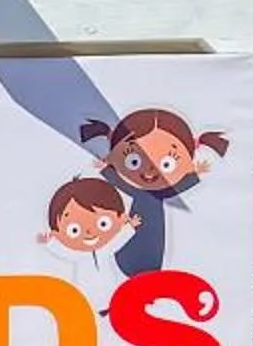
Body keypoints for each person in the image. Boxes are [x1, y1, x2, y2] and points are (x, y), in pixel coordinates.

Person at [78, 109, 231, 276]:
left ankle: (149, 272)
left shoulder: (159, 193)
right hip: (132, 235)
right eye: (134, 161)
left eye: (166, 164)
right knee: (131, 246)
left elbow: (175, 188)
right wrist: (106, 170)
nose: (150, 172)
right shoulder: (139, 191)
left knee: (153, 250)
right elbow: (124, 185)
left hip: (154, 231)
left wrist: (195, 174)